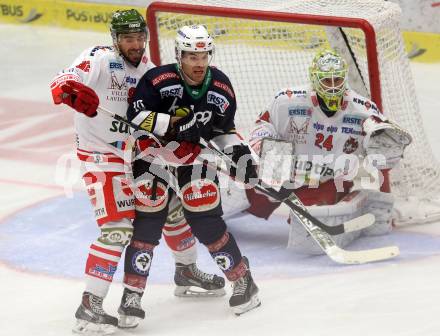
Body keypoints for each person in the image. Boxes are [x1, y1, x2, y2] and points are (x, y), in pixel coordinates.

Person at [50, 10, 225, 335]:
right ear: (115, 39)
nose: (135, 43)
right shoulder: (99, 58)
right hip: (102, 157)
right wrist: (71, 93)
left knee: (172, 210)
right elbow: (60, 82)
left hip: (134, 156)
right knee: (117, 229)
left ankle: (186, 271)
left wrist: (180, 139)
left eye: (139, 37)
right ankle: (89, 305)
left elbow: (154, 125)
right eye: (128, 38)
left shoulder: (148, 72)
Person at [124, 24, 261, 318]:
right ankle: (131, 297)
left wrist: (240, 152)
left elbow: (224, 130)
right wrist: (172, 125)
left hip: (194, 159)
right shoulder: (158, 80)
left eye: (203, 56)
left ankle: (243, 281)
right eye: (191, 57)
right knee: (147, 224)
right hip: (154, 158)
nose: (198, 64)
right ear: (179, 55)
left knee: (206, 220)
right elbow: (135, 115)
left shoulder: (220, 86)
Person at [243, 49, 412, 254]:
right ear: (315, 79)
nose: (333, 87)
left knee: (307, 230)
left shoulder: (362, 109)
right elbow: (264, 125)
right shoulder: (287, 101)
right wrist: (262, 142)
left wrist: (384, 146)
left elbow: (386, 141)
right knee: (241, 200)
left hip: (326, 180)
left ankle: (343, 204)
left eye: (337, 80)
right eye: (327, 81)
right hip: (283, 172)